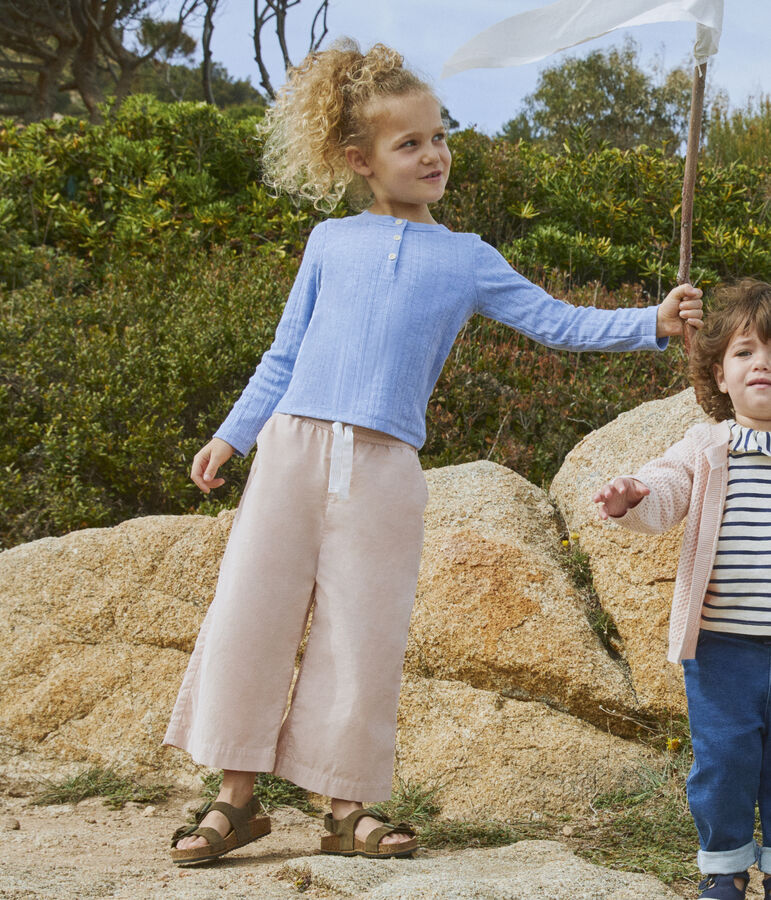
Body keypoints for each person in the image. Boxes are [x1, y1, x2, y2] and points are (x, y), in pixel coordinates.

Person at [164, 38, 703, 866]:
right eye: (409, 142)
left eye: (440, 136)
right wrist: (232, 434)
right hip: (291, 450)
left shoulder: (465, 258)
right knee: (251, 617)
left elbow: (557, 321)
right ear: (360, 159)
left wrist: (651, 322)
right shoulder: (327, 242)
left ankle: (346, 806)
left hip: (384, 469)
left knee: (362, 633)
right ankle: (234, 799)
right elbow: (283, 353)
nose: (433, 154)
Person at [594, 279, 771, 900]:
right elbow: (666, 487)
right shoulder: (707, 446)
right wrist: (632, 496)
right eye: (746, 351)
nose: (763, 363)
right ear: (719, 375)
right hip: (723, 650)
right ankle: (724, 870)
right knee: (722, 765)